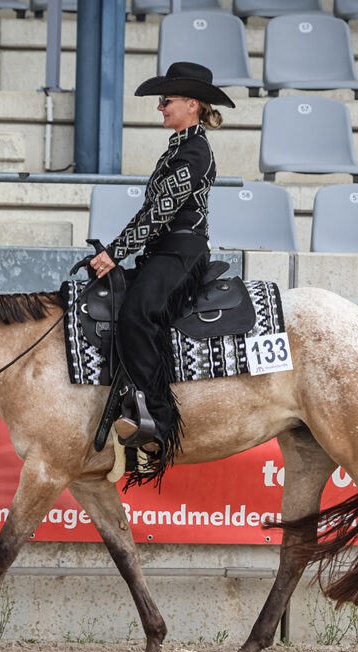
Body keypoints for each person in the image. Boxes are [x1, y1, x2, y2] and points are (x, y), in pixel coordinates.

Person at [89, 61, 234, 463]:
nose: (160, 108)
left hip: (180, 253)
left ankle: (160, 422)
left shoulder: (195, 151)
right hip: (162, 251)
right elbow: (152, 211)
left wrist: (115, 253)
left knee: (137, 315)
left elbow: (159, 213)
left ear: (192, 104)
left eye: (166, 101)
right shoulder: (179, 147)